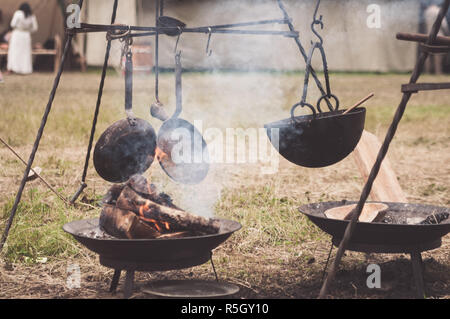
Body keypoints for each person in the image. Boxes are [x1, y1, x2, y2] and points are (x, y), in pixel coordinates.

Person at [7, 3, 38, 75]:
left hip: (17, 34)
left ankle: (13, 68)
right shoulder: (31, 16)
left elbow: (12, 24)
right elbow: (35, 28)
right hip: (26, 35)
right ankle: (25, 69)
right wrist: (27, 30)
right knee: (25, 53)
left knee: (14, 51)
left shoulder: (18, 13)